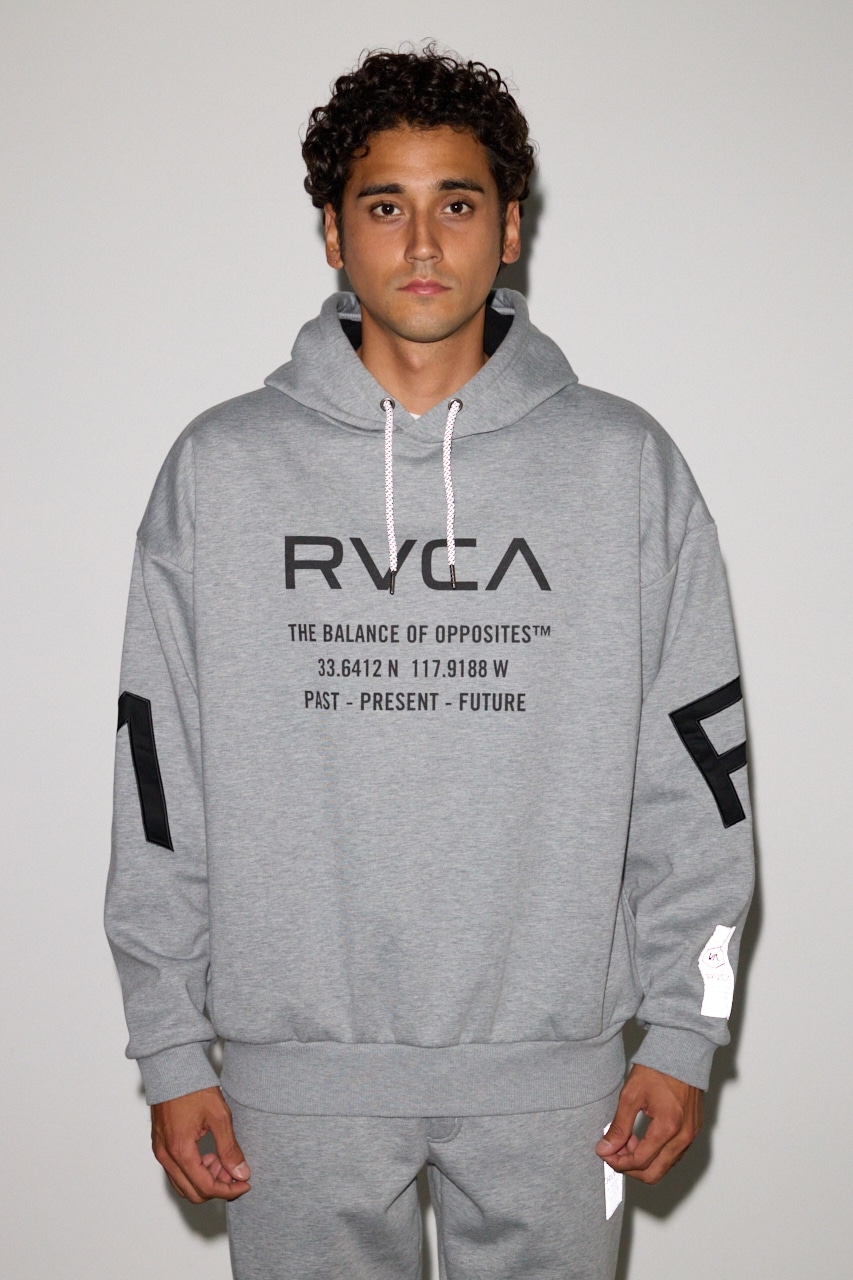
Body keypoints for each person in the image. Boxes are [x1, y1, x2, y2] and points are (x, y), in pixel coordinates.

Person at [105, 46, 754, 1280]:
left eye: (455, 203)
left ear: (508, 228)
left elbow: (701, 778)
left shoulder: (623, 467)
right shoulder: (222, 470)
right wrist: (169, 1045)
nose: (419, 242)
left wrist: (685, 1026)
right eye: (382, 205)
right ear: (333, 233)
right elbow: (157, 777)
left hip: (559, 1079)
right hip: (295, 1080)